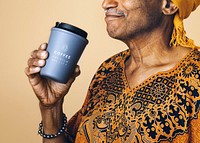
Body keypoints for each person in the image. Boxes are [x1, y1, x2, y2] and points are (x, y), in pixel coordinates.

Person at [25, 0, 200, 142]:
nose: (106, 3)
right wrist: (51, 107)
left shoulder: (195, 78)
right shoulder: (109, 70)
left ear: (169, 5)